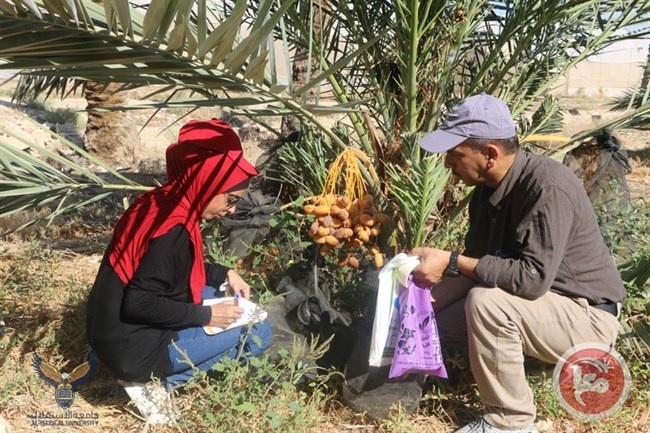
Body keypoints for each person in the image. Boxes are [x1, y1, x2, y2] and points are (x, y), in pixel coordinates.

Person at [409, 94, 625, 433]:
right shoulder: (486, 191)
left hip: (589, 319)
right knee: (428, 325)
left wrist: (449, 260)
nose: (447, 164)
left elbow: (531, 280)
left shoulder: (547, 187)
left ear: (490, 154)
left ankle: (510, 422)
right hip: (539, 309)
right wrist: (420, 308)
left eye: (454, 154)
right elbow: (475, 265)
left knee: (487, 303)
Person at [86, 118, 272, 421]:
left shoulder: (161, 201)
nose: (233, 210)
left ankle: (147, 368)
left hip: (106, 332)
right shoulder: (174, 232)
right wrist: (207, 315)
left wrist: (225, 273)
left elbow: (166, 266)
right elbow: (140, 302)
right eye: (231, 199)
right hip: (134, 348)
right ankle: (154, 382)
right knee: (259, 330)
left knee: (214, 291)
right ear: (209, 184)